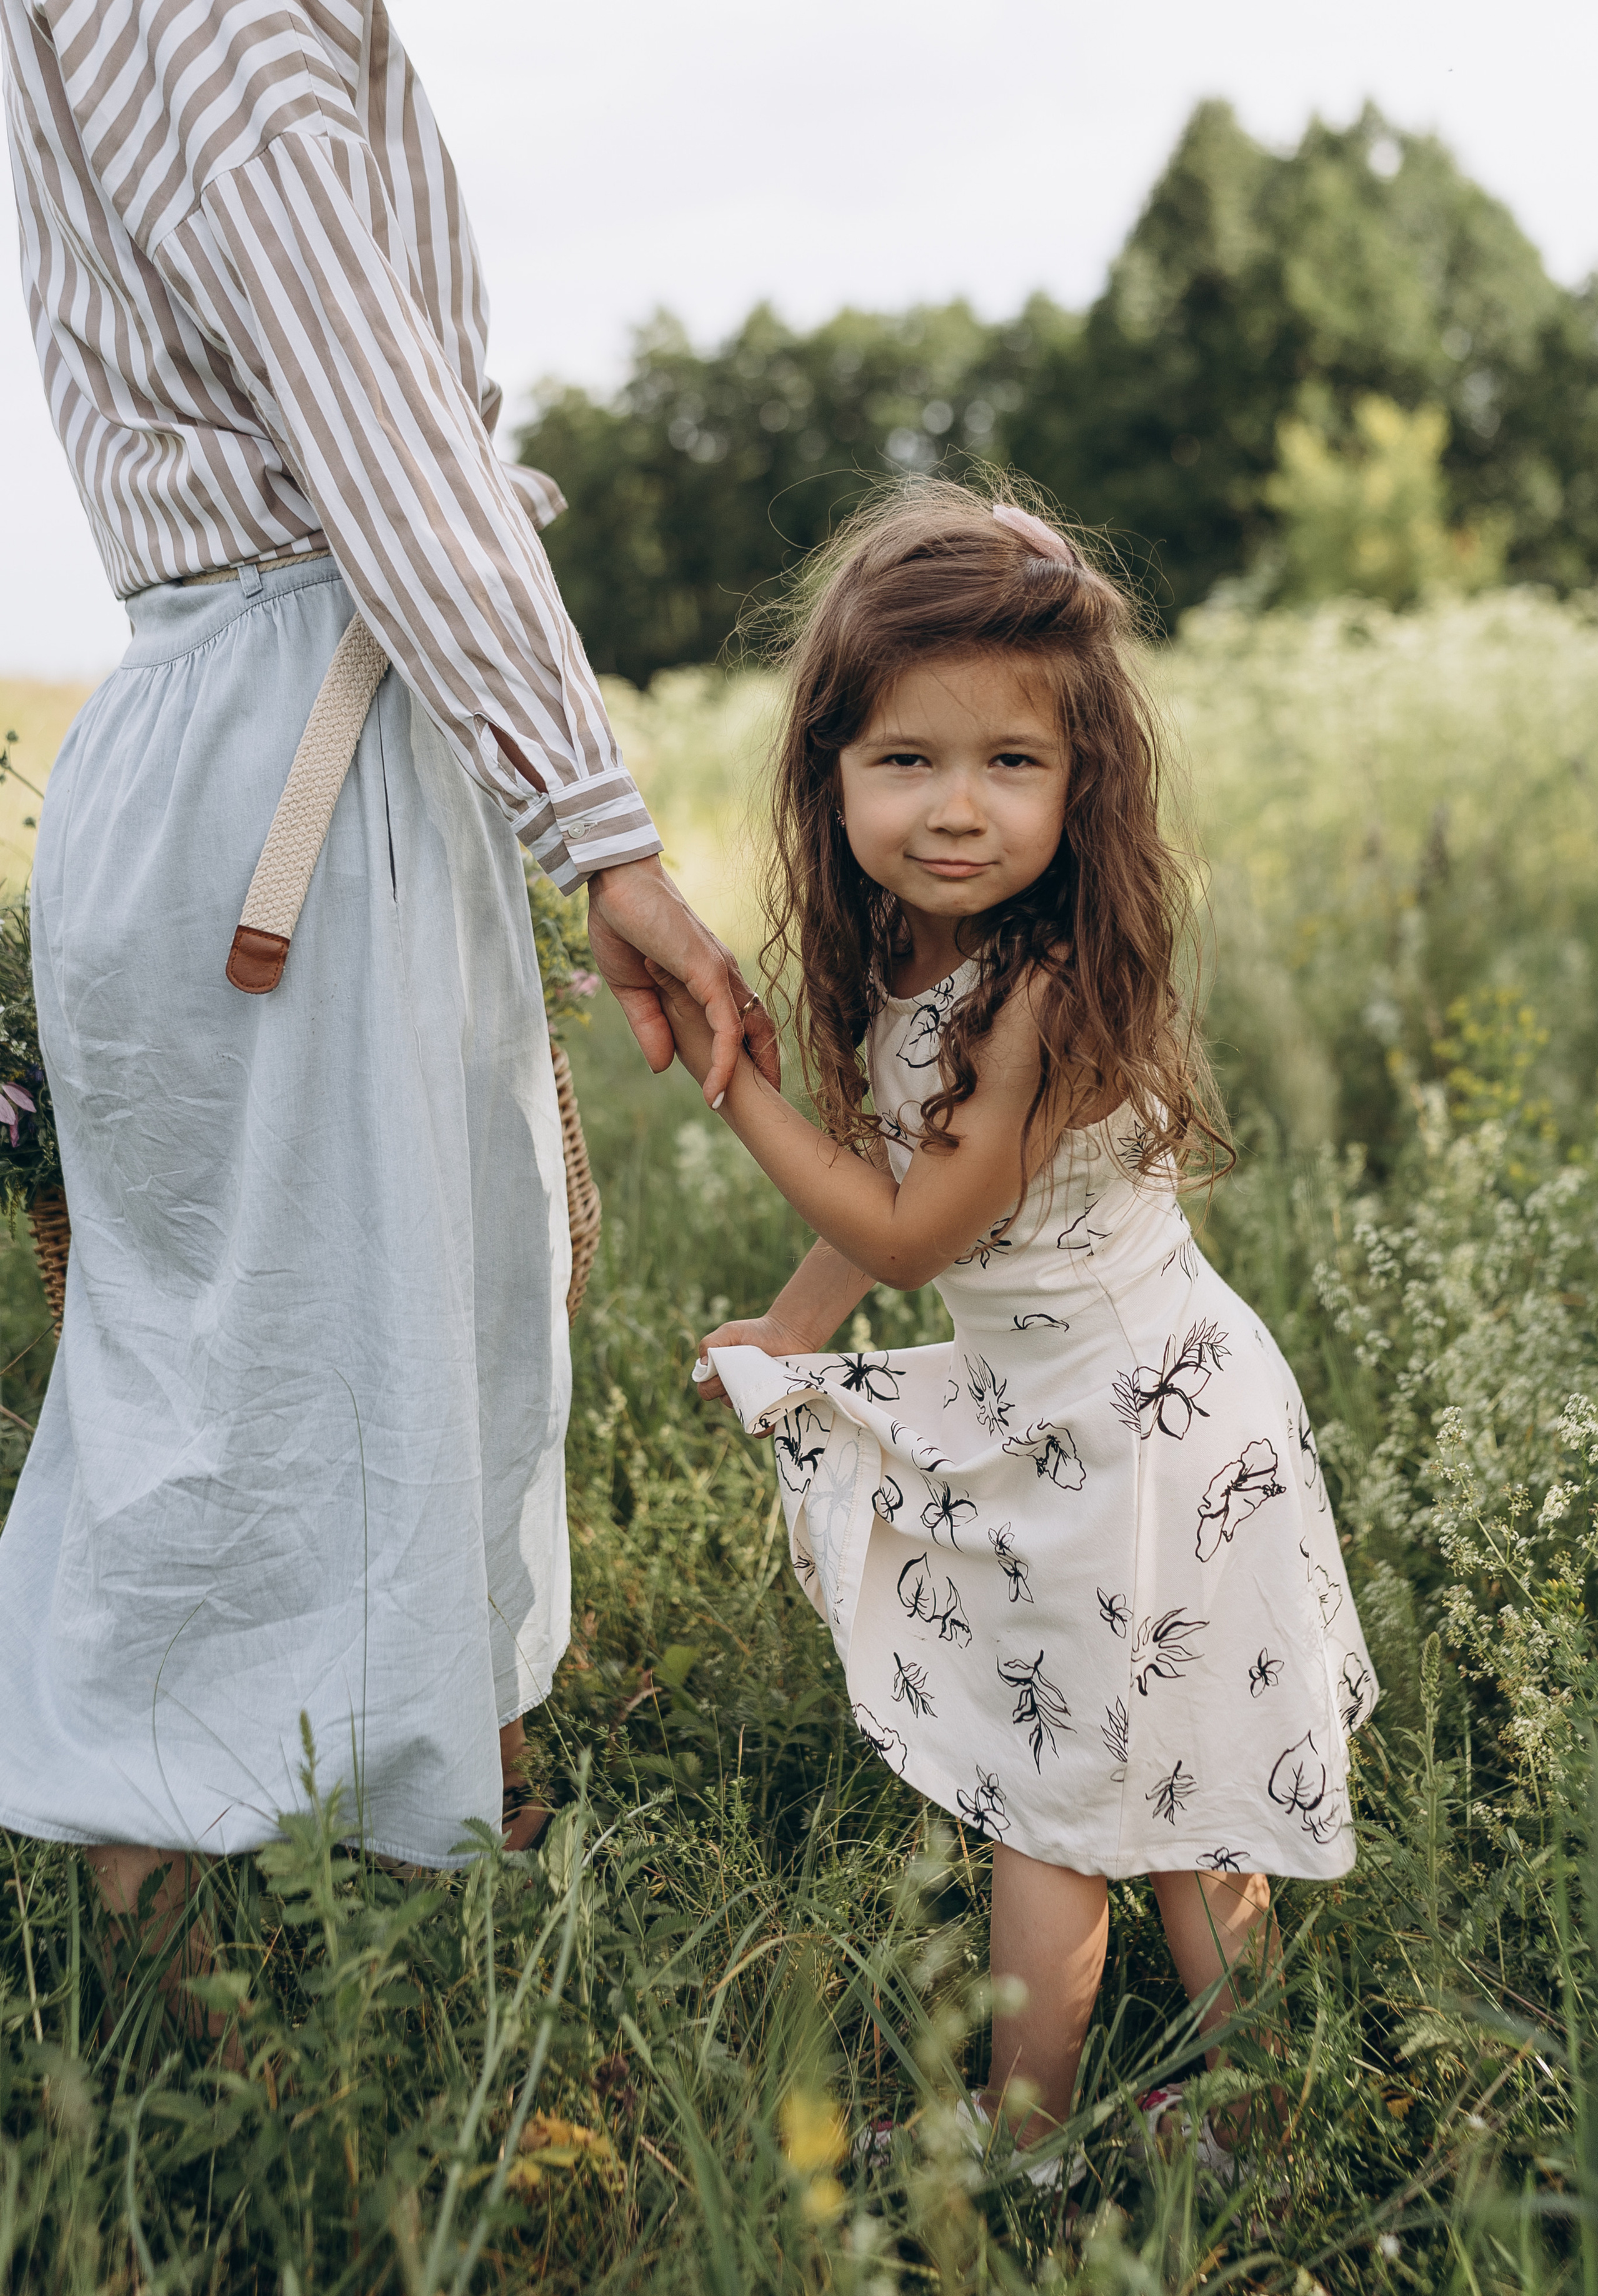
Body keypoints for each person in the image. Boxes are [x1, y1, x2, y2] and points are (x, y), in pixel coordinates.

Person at [0, 0, 776, 1939]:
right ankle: (173, 1953)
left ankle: (447, 1834)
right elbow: (381, 432)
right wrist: (598, 827)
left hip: (245, 719)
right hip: (295, 737)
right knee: (267, 1354)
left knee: (407, 1299)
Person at [666, 483, 1377, 2173]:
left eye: (1011, 764)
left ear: (1083, 782)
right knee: (1164, 1759)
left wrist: (738, 1088)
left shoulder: (1048, 985)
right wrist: (781, 1330)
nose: (958, 809)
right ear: (830, 773)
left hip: (1143, 1423)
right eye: (905, 762)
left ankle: (1033, 2130)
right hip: (1099, 1405)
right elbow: (896, 1184)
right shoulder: (926, 955)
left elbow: (915, 1226)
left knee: (1065, 1791)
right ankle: (1249, 2102)